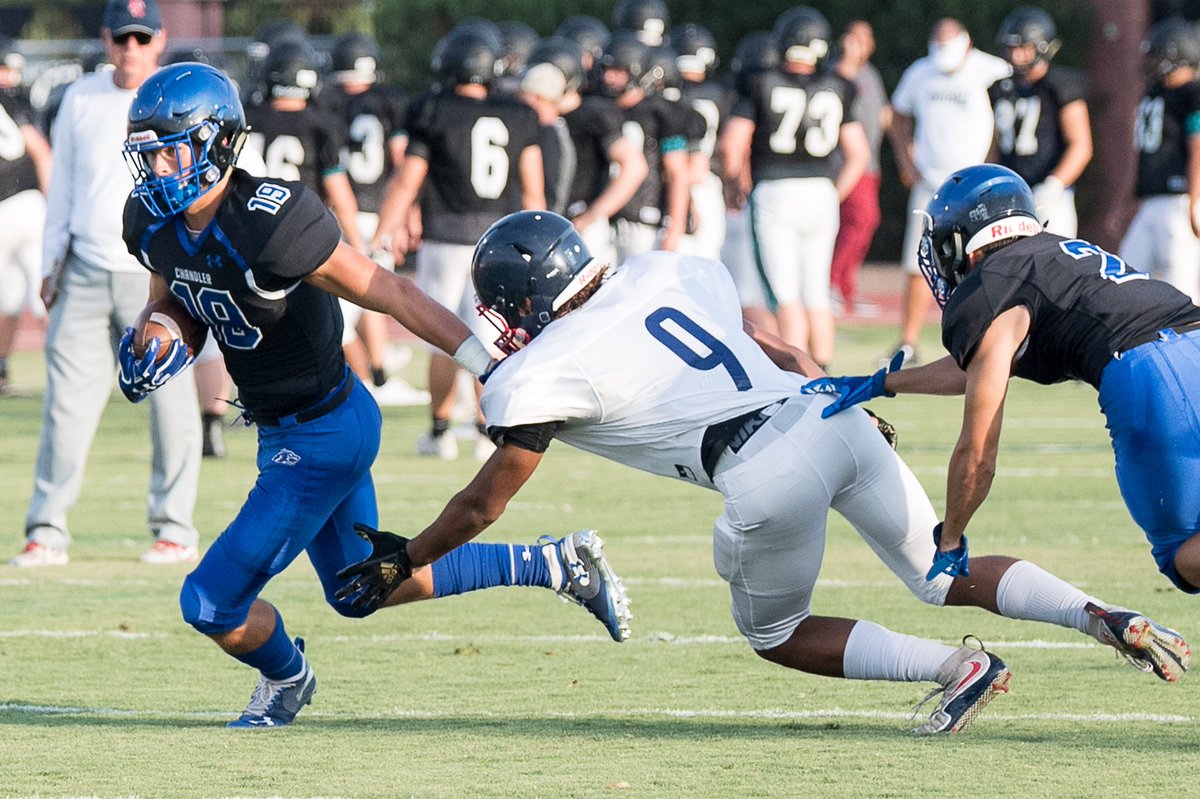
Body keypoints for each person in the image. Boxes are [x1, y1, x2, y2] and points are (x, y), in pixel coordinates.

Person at [334, 209, 1190, 738]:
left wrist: (412, 551)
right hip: (831, 416)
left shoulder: (538, 371)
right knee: (944, 567)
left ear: (522, 301)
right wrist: (831, 385)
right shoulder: (664, 270)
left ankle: (953, 670)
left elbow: (485, 500)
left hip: (759, 465)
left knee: (776, 633)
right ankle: (1096, 611)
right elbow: (767, 340)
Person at [118, 63, 629, 729]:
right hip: (288, 426)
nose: (155, 168)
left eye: (169, 150)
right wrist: (157, 337)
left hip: (323, 433)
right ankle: (554, 561)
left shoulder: (274, 221)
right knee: (363, 586)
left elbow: (388, 289)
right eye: (146, 152)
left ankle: (286, 679)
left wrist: (480, 358)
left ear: (216, 144)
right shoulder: (151, 220)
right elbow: (176, 301)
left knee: (210, 601)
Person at [808, 163, 1200, 623]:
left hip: (1147, 375)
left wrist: (950, 536)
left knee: (1184, 556)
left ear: (964, 243)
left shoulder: (992, 285)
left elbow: (979, 451)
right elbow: (980, 369)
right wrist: (885, 383)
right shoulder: (1053, 254)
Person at [13, 0, 203, 568]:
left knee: (171, 402)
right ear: (105, 39)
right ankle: (46, 531)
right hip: (88, 268)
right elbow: (64, 184)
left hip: (160, 273)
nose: (131, 50)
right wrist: (51, 263)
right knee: (66, 405)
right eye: (122, 38)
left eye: (142, 39)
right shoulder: (81, 97)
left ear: (160, 41)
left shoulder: (180, 96)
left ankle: (174, 527)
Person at [371, 28, 545, 462]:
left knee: (442, 338)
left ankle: (440, 431)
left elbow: (408, 180)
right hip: (501, 241)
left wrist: (383, 232)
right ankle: (488, 434)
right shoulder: (518, 114)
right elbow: (534, 191)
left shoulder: (433, 111)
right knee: (494, 340)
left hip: (446, 238)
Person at [721, 6, 870, 369]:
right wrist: (833, 193)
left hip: (776, 191)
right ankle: (825, 371)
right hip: (820, 193)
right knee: (817, 293)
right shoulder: (837, 86)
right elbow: (859, 154)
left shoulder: (760, 83)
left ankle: (799, 377)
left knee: (785, 297)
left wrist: (733, 183)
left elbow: (731, 145)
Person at [886, 18, 1010, 366]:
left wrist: (994, 166)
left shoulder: (991, 70)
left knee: (983, 261)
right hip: (932, 183)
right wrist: (907, 163)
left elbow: (1007, 121)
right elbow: (897, 115)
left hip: (976, 184)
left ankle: (985, 336)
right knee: (917, 262)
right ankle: (908, 341)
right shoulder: (921, 72)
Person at [990, 5, 1092, 238]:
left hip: (1050, 195)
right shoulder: (1001, 87)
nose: (1016, 55)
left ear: (1043, 47)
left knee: (1053, 267)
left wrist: (1054, 184)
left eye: (1023, 48)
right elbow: (995, 144)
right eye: (1011, 47)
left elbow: (1081, 145)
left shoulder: (1060, 85)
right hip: (1009, 192)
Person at [1118, 17, 1200, 303]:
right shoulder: (1153, 94)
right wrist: (1126, 200)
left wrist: (1195, 200)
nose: (1151, 62)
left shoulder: (1192, 94)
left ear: (1177, 54)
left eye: (1157, 55)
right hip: (1150, 202)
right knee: (1125, 279)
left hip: (1178, 201)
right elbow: (1142, 152)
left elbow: (1198, 147)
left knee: (1181, 286)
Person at [0, 37, 51, 396]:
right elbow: (40, 151)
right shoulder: (15, 98)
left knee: (21, 294)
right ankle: (66, 371)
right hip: (28, 205)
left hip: (14, 208)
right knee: (34, 292)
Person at [829, 20, 889, 318]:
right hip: (846, 164)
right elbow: (840, 87)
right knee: (859, 221)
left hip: (870, 162)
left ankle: (845, 286)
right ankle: (833, 284)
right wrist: (847, 60)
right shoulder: (837, 72)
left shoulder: (871, 74)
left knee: (860, 225)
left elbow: (883, 115)